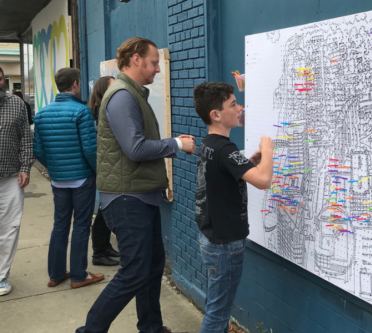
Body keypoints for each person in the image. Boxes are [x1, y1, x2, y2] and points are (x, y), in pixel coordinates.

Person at [77, 37, 195, 333]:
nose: (157, 68)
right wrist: (176, 144)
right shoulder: (122, 97)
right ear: (135, 59)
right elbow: (135, 149)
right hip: (128, 199)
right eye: (154, 62)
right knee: (134, 271)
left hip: (141, 196)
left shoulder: (132, 94)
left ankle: (151, 328)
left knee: (152, 266)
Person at [193, 82, 274, 333]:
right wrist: (268, 150)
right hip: (225, 245)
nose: (239, 108)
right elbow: (263, 181)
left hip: (213, 238)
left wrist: (250, 162)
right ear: (216, 115)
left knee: (215, 305)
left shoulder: (211, 144)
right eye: (233, 104)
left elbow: (225, 174)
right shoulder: (225, 149)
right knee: (218, 315)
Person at [33, 68, 105, 289]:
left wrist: (55, 169)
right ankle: (78, 275)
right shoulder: (82, 112)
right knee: (81, 225)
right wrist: (96, 171)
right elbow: (90, 149)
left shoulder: (41, 114)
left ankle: (55, 274)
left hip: (58, 180)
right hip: (82, 178)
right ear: (75, 84)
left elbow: (38, 150)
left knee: (60, 224)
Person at [0, 66, 34, 296]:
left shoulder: (16, 104)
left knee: (9, 228)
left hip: (11, 177)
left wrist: (25, 167)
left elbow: (26, 138)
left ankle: (1, 276)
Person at [87, 76, 120, 267]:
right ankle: (98, 253)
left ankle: (104, 246)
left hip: (108, 166)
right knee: (104, 211)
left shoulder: (101, 109)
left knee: (105, 209)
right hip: (108, 166)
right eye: (112, 86)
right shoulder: (102, 111)